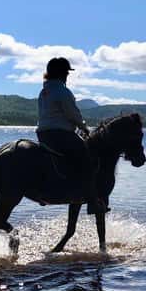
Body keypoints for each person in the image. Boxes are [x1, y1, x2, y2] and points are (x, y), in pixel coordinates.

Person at [36, 57, 105, 214]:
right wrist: (84, 128)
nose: (67, 75)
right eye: (66, 72)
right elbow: (72, 114)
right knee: (87, 159)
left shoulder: (44, 91)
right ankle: (93, 202)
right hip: (60, 134)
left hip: (43, 134)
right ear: (62, 74)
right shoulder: (62, 91)